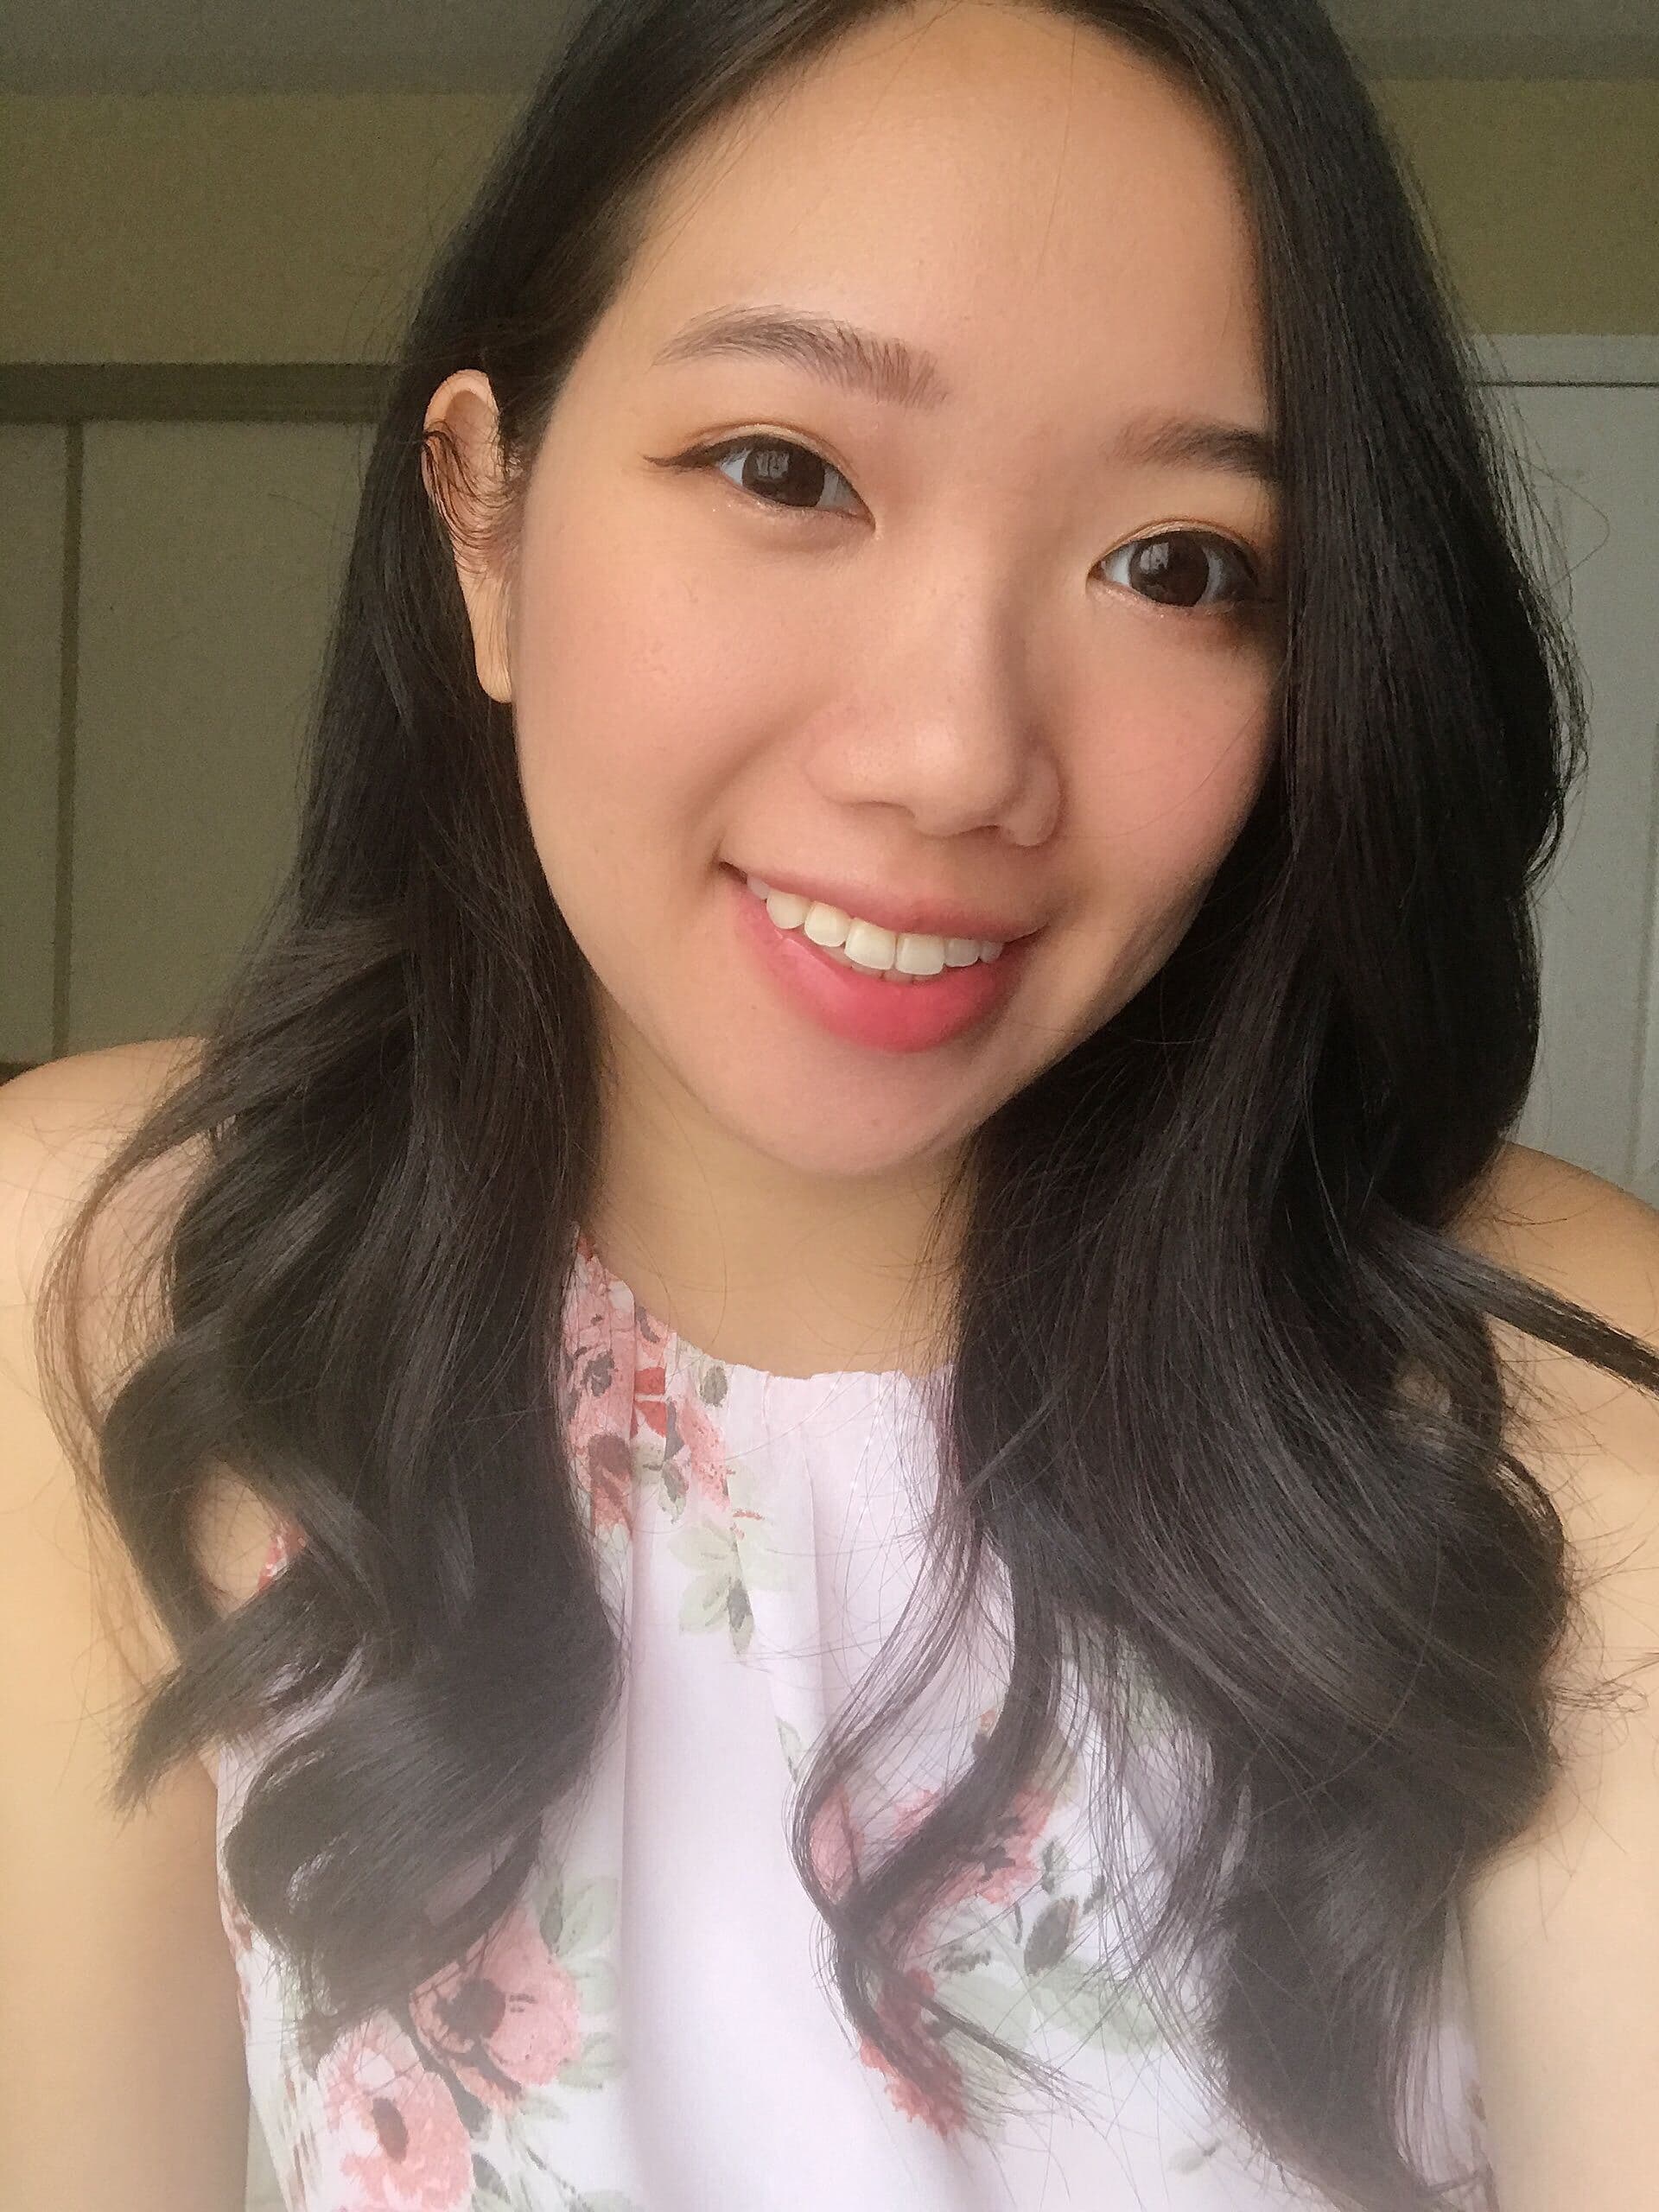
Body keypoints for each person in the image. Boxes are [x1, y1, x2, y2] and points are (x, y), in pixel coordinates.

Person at [4, 2, 1658, 2208]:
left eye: (1178, 564)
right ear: (484, 521)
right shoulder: (110, 1272)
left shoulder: (1557, 1406)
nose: (956, 751)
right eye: (787, 470)